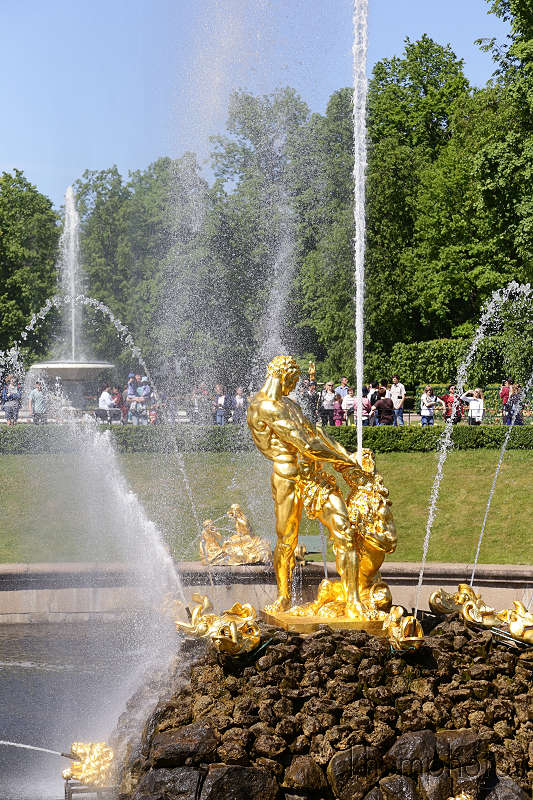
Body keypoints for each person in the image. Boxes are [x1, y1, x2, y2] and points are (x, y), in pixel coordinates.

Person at [247, 355, 365, 614]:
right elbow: (308, 445)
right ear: (285, 375)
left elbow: (315, 435)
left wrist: (343, 454)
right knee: (287, 540)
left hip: (313, 476)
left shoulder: (289, 404)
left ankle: (354, 600)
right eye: (294, 379)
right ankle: (284, 597)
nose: (295, 385)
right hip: (287, 477)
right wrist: (346, 461)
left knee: (344, 530)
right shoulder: (264, 407)